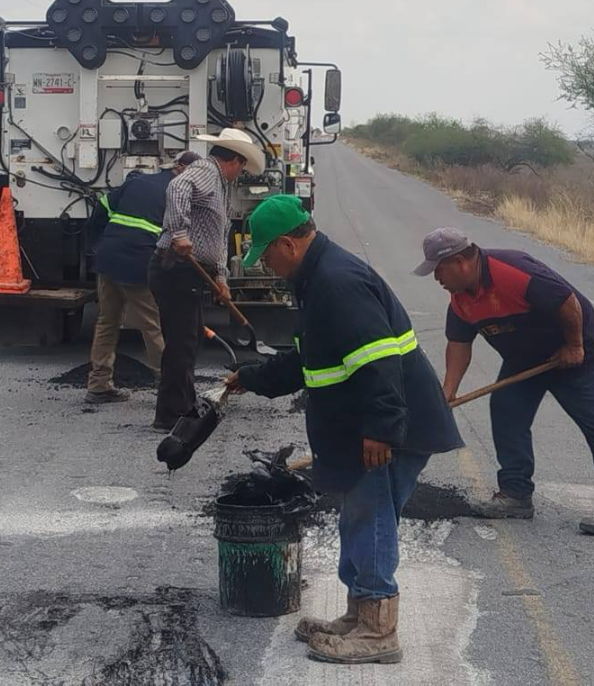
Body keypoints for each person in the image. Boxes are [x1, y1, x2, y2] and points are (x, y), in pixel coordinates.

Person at [224, 196, 463, 667]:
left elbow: (378, 362)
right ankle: (359, 616)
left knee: (370, 520)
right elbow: (310, 358)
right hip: (372, 423)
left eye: (266, 255)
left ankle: (378, 632)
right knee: (360, 518)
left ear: (289, 244)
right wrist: (252, 377)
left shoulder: (336, 282)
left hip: (388, 427)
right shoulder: (316, 279)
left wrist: (380, 430)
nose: (266, 266)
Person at [415, 226, 594, 536]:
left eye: (438, 270)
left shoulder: (512, 272)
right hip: (524, 358)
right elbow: (459, 344)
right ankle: (516, 495)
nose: (436, 278)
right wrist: (448, 391)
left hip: (574, 354)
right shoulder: (460, 300)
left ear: (459, 262)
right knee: (507, 412)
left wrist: (574, 346)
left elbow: (567, 301)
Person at [150, 128, 265, 431]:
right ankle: (170, 414)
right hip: (175, 268)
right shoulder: (205, 169)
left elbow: (218, 240)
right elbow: (177, 188)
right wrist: (179, 233)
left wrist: (222, 278)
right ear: (235, 160)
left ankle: (184, 403)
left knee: (190, 339)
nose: (240, 173)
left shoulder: (220, 187)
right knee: (181, 343)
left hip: (194, 271)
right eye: (242, 166)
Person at [82, 152, 199, 404]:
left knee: (107, 322)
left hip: (108, 259)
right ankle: (170, 385)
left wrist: (95, 243)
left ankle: (99, 385)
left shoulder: (137, 182)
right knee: (153, 325)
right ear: (181, 169)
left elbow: (102, 207)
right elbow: (178, 240)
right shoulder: (177, 194)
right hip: (137, 264)